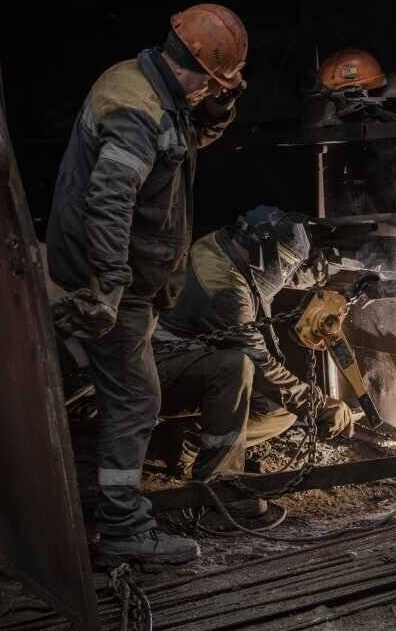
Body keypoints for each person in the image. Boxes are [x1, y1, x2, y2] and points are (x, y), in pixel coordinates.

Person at [47, 4, 247, 566]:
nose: (212, 92)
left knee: (125, 393)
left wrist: (221, 106)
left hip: (134, 279)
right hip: (114, 281)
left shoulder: (150, 84)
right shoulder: (136, 111)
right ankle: (123, 532)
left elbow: (184, 142)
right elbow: (109, 203)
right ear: (200, 72)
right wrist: (108, 289)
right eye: (215, 83)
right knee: (135, 399)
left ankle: (115, 517)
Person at [151, 206, 354, 520]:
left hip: (184, 360)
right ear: (263, 251)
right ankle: (220, 491)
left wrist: (328, 275)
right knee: (237, 367)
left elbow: (277, 274)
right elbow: (259, 364)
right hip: (158, 369)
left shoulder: (226, 244)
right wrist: (320, 404)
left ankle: (186, 441)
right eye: (284, 263)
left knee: (282, 410)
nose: (284, 271)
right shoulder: (226, 290)